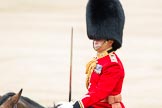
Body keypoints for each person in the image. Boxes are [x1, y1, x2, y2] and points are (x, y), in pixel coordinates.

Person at [57, 0, 125, 107]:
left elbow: (99, 93)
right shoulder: (100, 60)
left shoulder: (113, 65)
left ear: (110, 41)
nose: (95, 40)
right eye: (94, 37)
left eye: (99, 38)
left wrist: (76, 105)